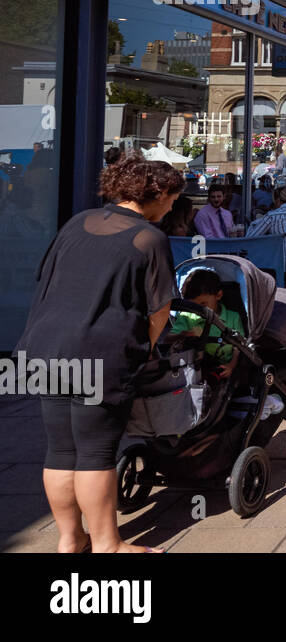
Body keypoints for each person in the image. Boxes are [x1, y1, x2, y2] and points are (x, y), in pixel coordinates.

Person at [17, 151, 181, 552]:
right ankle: (109, 545)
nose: (173, 207)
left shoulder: (77, 223)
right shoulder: (149, 238)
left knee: (60, 449)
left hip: (45, 346)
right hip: (100, 352)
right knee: (95, 451)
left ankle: (71, 540)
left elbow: (47, 278)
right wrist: (146, 350)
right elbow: (159, 310)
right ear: (156, 193)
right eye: (172, 199)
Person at [171, 268, 245, 380]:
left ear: (218, 295)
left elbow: (239, 347)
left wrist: (231, 366)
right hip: (196, 369)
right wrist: (185, 334)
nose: (198, 310)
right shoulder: (187, 317)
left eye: (203, 304)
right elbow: (169, 339)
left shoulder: (233, 317)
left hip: (226, 370)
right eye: (192, 307)